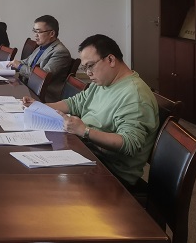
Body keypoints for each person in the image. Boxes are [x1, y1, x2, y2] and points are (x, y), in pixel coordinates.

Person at [22, 34, 158, 189]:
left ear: (111, 60)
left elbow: (130, 143)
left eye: (90, 66)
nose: (88, 73)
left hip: (110, 173)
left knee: (43, 184)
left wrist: (84, 131)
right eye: (84, 68)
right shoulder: (103, 82)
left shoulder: (135, 96)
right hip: (86, 152)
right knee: (33, 167)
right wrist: (40, 107)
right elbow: (76, 103)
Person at [9, 15, 71, 81]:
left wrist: (19, 66)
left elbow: (42, 76)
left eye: (39, 31)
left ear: (52, 34)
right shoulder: (41, 46)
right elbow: (26, 62)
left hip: (41, 87)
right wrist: (9, 64)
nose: (35, 35)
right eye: (34, 31)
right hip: (27, 84)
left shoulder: (60, 52)